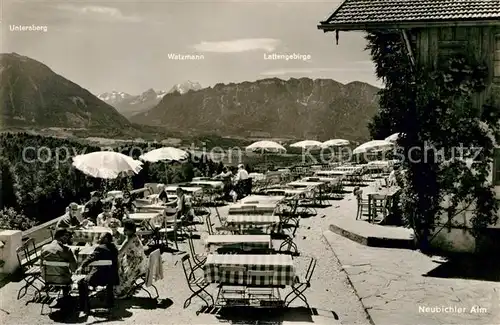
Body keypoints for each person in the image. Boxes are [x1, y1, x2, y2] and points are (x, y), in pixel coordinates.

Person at [76, 233, 119, 314]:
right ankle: (110, 301)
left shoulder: (100, 248)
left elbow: (91, 257)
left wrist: (82, 266)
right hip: (112, 278)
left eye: (100, 237)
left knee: (81, 282)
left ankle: (83, 305)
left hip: (99, 278)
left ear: (105, 238)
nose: (99, 239)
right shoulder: (114, 248)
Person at [40, 228, 77, 307]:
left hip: (47, 278)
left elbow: (41, 265)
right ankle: (66, 296)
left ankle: (59, 293)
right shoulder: (66, 250)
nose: (68, 238)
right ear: (61, 237)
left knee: (57, 270)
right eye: (66, 236)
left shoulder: (44, 248)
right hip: (63, 279)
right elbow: (74, 268)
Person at [114, 220, 147, 298]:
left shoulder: (130, 239)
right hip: (139, 260)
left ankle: (124, 292)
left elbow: (120, 252)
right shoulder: (134, 236)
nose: (123, 231)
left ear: (131, 230)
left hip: (136, 263)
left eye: (126, 230)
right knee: (119, 268)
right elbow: (123, 248)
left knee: (118, 269)